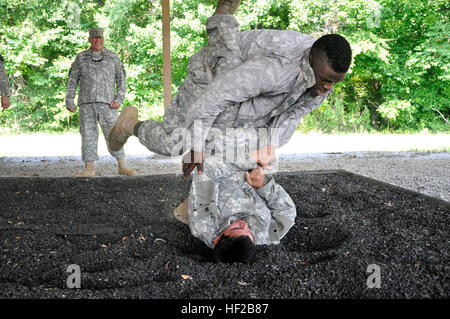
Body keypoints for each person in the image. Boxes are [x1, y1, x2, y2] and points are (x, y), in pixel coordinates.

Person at [66, 27, 136, 177]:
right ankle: (89, 168)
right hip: (86, 104)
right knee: (88, 135)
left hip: (108, 104)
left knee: (114, 135)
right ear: (89, 40)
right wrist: (69, 100)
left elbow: (122, 80)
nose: (97, 40)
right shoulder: (81, 58)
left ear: (103, 39)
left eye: (100, 38)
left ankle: (122, 166)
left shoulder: (113, 57)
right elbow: (72, 80)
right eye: (94, 38)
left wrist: (119, 99)